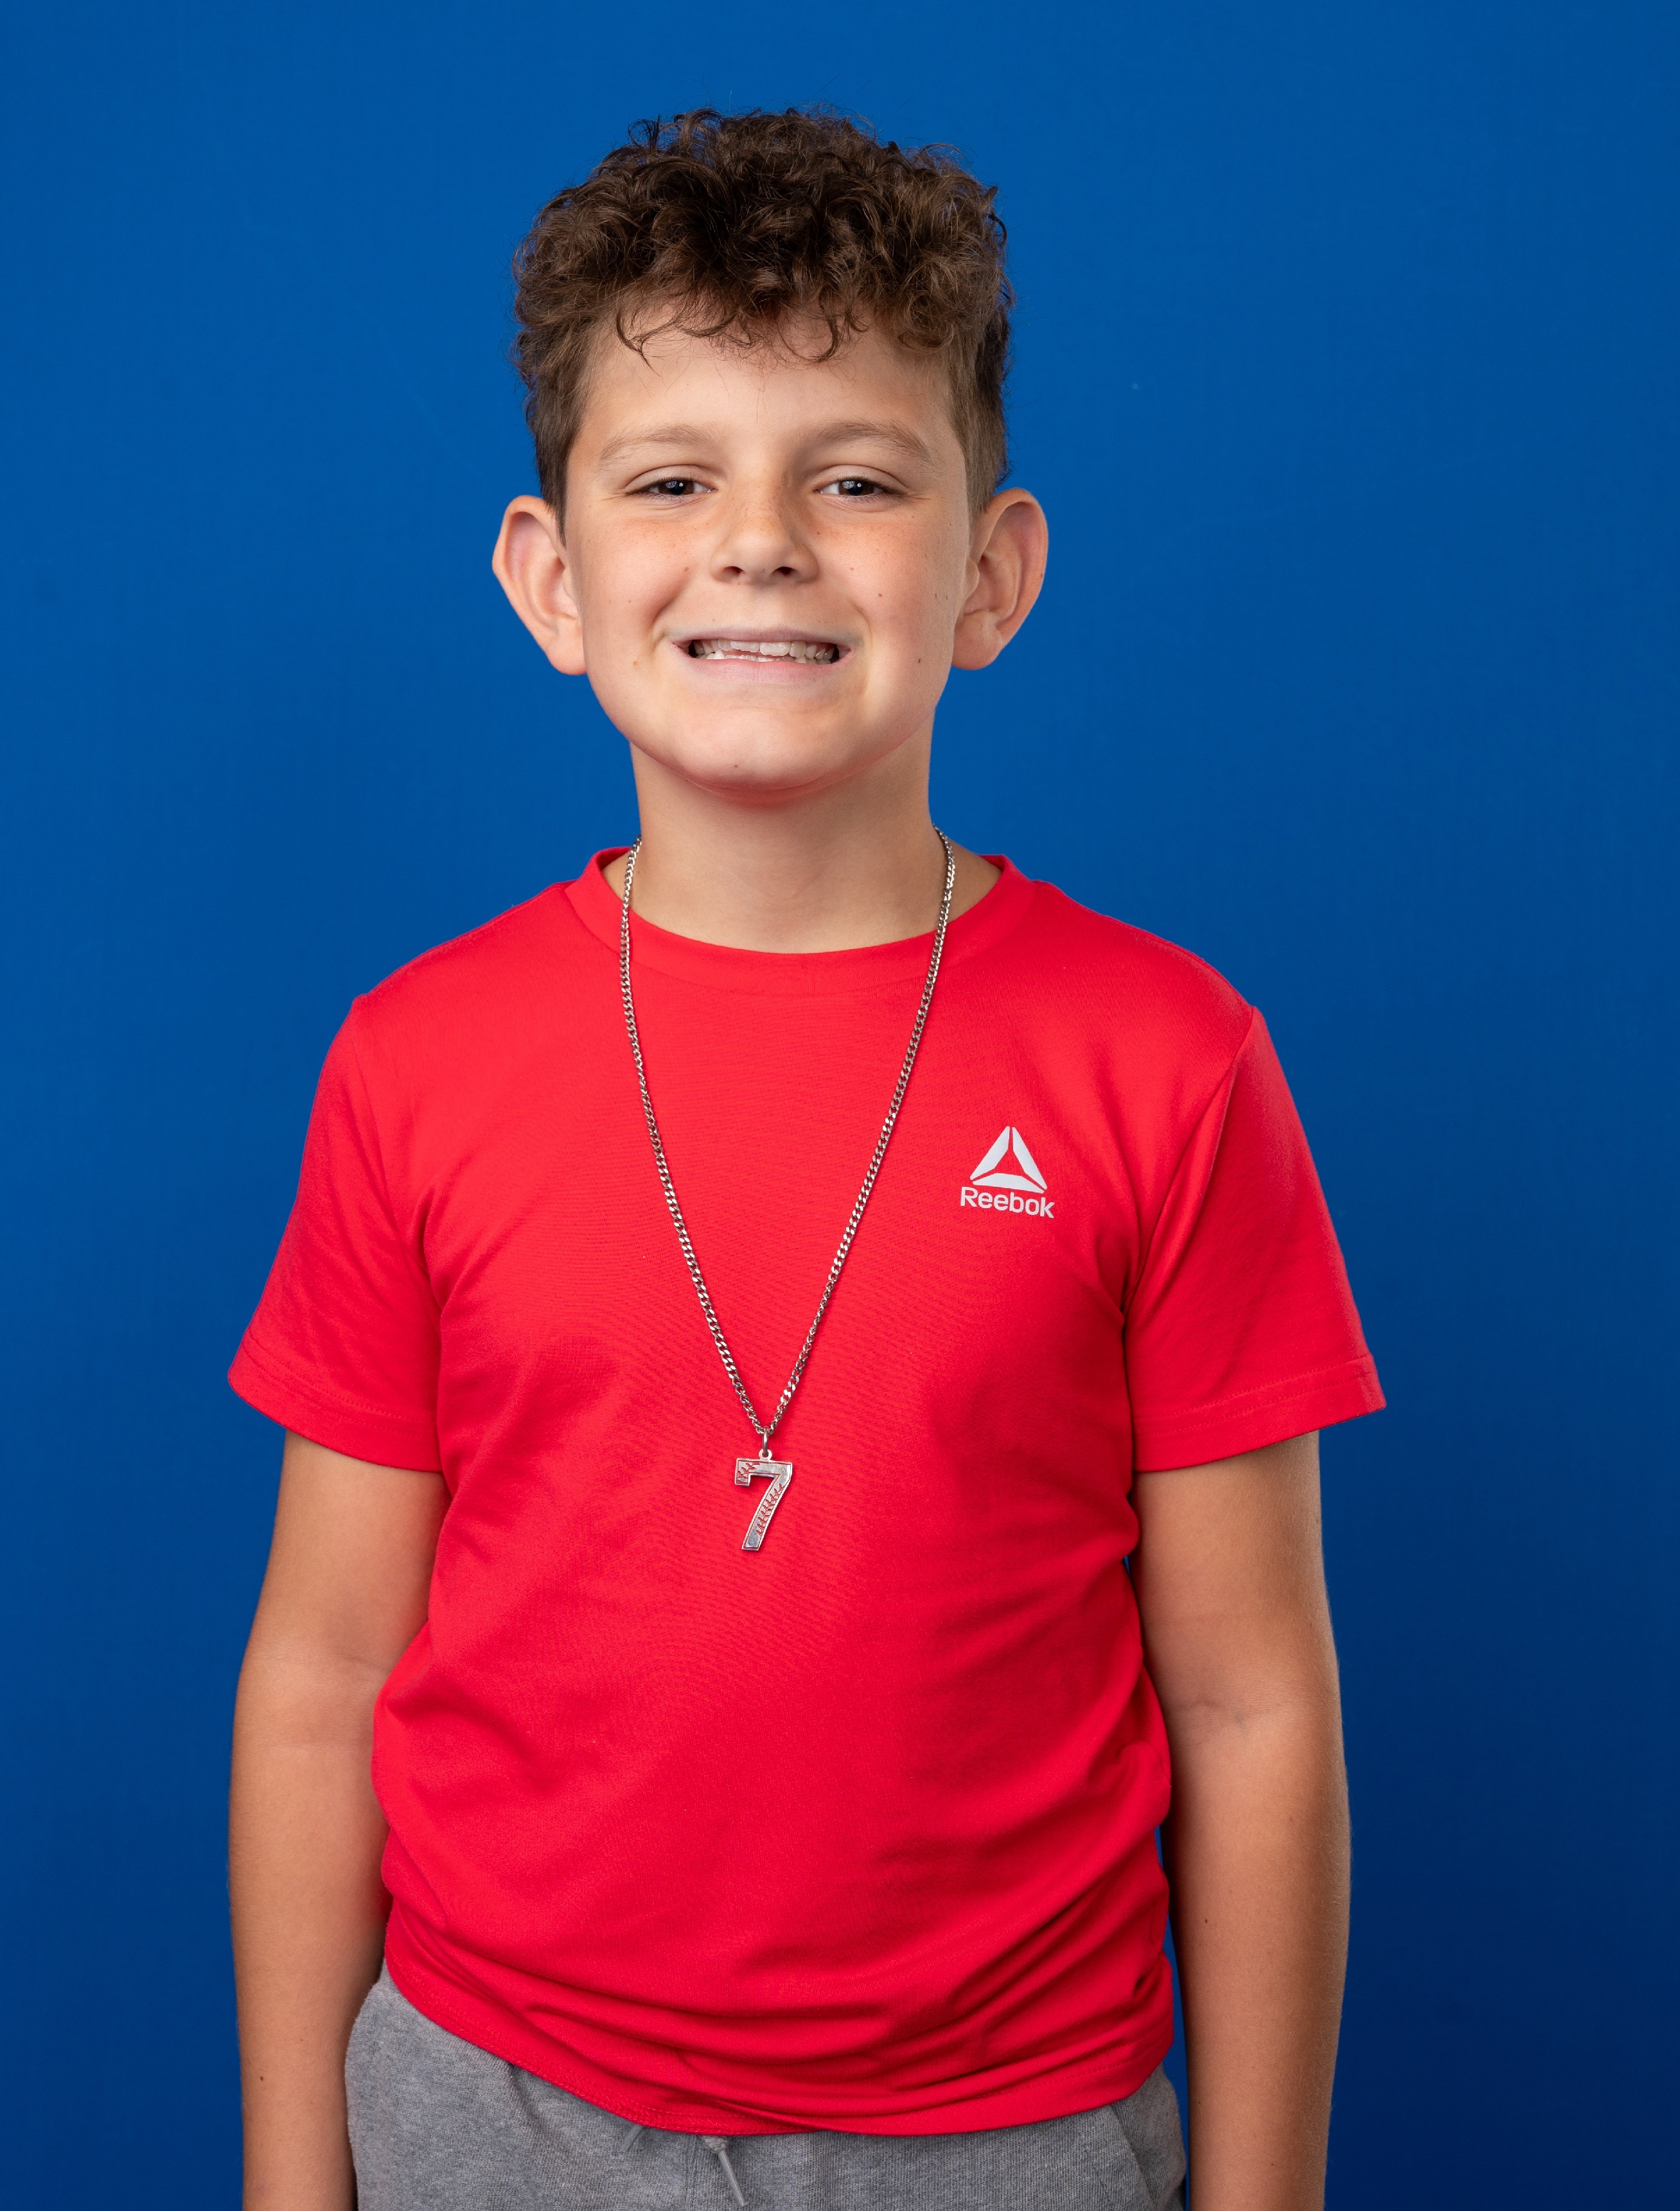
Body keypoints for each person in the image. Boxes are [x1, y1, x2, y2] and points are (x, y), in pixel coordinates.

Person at [229, 107, 1382, 2211]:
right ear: (553, 580)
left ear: (992, 573)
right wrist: (293, 2182)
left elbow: (1249, 1699)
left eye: (854, 478)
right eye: (675, 479)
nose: (760, 541)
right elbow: (321, 1675)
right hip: (495, 2108)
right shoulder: (415, 1059)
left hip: (1013, 2129)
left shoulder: (1170, 1059)